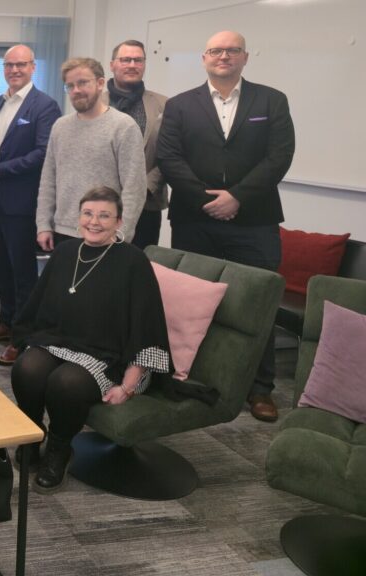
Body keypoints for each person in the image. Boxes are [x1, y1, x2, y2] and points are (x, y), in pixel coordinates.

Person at [157, 30, 295, 422]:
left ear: (245, 57)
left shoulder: (271, 100)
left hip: (255, 221)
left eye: (232, 50)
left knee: (259, 303)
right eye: (216, 51)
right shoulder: (180, 105)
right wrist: (207, 200)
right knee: (191, 303)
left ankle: (260, 388)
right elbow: (169, 157)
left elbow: (280, 156)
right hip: (193, 220)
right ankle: (192, 376)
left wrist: (237, 197)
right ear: (204, 58)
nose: (224, 56)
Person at [10, 186, 171, 494]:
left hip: (107, 355)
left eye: (104, 216)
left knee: (65, 383)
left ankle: (59, 448)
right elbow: (39, 307)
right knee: (26, 368)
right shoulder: (65, 252)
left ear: (119, 222)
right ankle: (32, 434)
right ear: (79, 217)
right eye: (88, 213)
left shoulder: (133, 261)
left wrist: (128, 385)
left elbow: (146, 325)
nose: (94, 222)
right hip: (59, 341)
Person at [0, 44, 61, 365]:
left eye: (21, 64)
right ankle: (6, 321)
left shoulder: (44, 106)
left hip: (23, 203)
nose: (14, 70)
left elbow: (43, 154)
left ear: (33, 67)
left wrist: (1, 169)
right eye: (9, 65)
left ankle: (23, 338)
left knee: (22, 272)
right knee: (0, 266)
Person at [36, 57, 146, 257]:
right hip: (63, 231)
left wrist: (121, 235)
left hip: (104, 235)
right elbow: (48, 181)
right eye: (70, 86)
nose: (76, 90)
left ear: (100, 83)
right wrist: (43, 224)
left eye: (83, 83)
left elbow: (134, 188)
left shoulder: (123, 126)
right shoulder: (60, 127)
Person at [102, 40, 169, 249]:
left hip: (146, 203)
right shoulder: (94, 103)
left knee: (139, 263)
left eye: (138, 60)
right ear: (112, 64)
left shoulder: (165, 105)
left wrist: (144, 187)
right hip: (100, 202)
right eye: (125, 60)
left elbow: (170, 153)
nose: (132, 65)